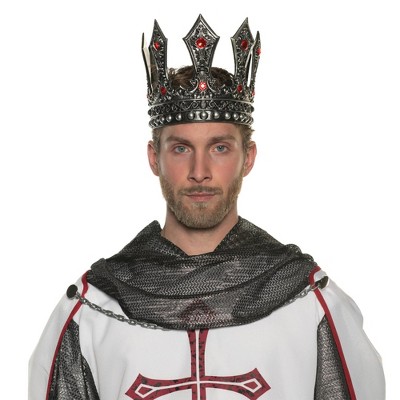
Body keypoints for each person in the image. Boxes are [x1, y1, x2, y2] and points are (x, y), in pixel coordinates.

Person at [29, 14, 385, 400]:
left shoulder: (311, 303)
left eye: (219, 148)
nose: (200, 172)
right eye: (181, 148)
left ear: (248, 157)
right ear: (154, 158)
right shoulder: (92, 309)